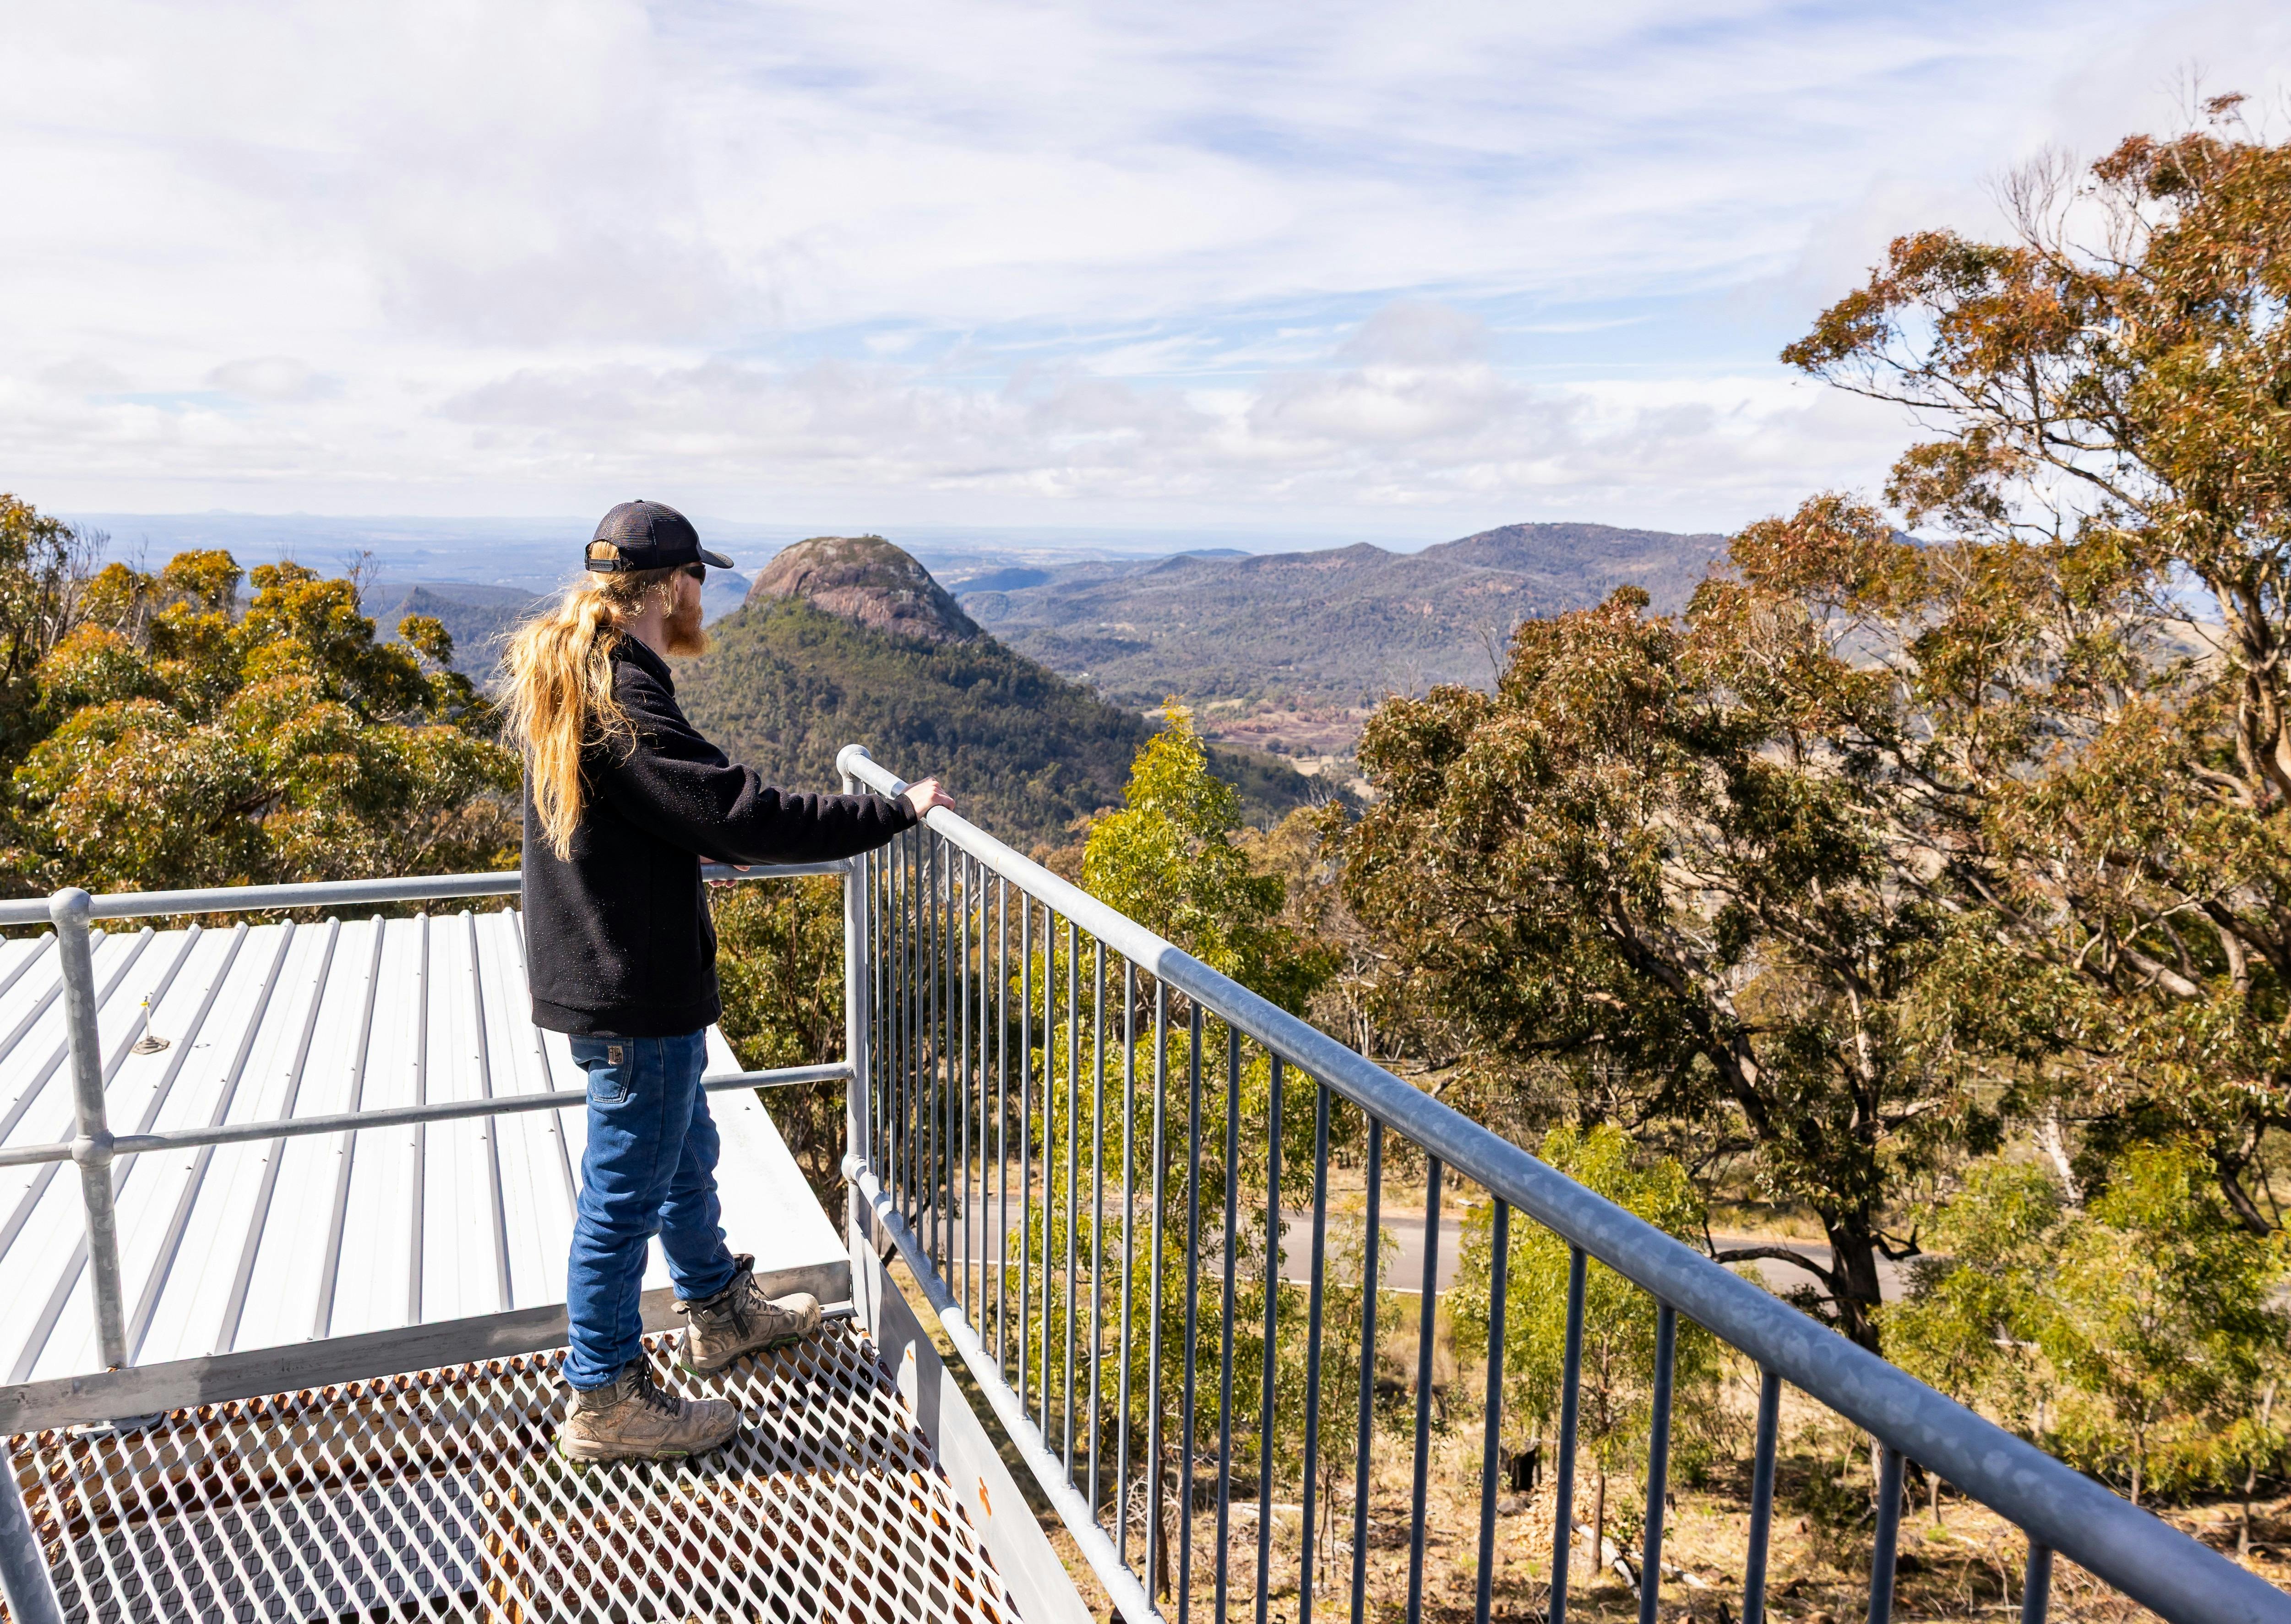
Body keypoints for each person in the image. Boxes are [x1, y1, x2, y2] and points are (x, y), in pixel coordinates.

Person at [502, 500, 952, 1465]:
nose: (703, 594)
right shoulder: (620, 687)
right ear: (673, 586)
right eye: (698, 577)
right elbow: (735, 806)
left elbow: (636, 814)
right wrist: (888, 812)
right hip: (632, 981)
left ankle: (715, 1309)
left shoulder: (586, 671)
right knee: (624, 1192)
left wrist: (683, 850)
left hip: (621, 963)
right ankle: (604, 1396)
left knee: (682, 1151)